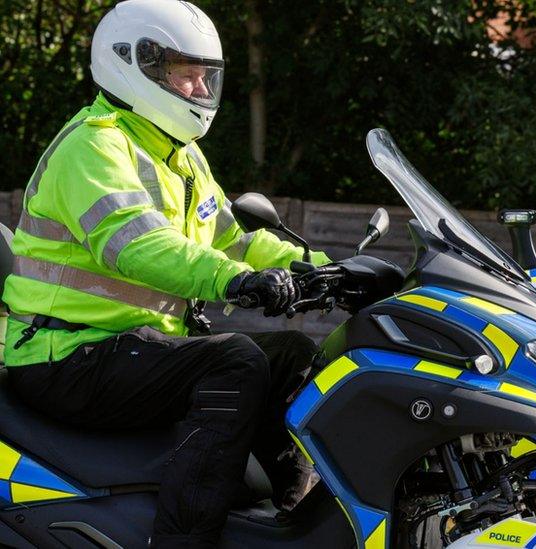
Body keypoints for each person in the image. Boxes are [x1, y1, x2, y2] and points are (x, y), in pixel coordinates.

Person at [1, 0, 331, 546]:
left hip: (131, 346)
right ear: (137, 64)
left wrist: (324, 271)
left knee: (292, 353)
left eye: (207, 77)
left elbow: (237, 240)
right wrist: (235, 281)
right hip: (65, 352)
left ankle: (289, 516)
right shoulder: (94, 144)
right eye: (187, 75)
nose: (201, 91)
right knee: (237, 361)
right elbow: (138, 246)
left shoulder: (180, 156)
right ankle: (183, 538)